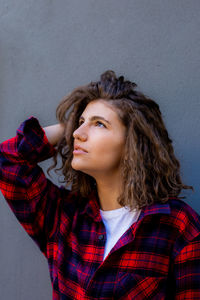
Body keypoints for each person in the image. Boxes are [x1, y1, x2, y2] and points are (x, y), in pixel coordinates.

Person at [0, 70, 200, 299]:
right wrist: (68, 127)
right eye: (81, 122)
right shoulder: (63, 216)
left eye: (100, 124)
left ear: (132, 143)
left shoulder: (179, 227)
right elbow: (8, 160)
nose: (78, 133)